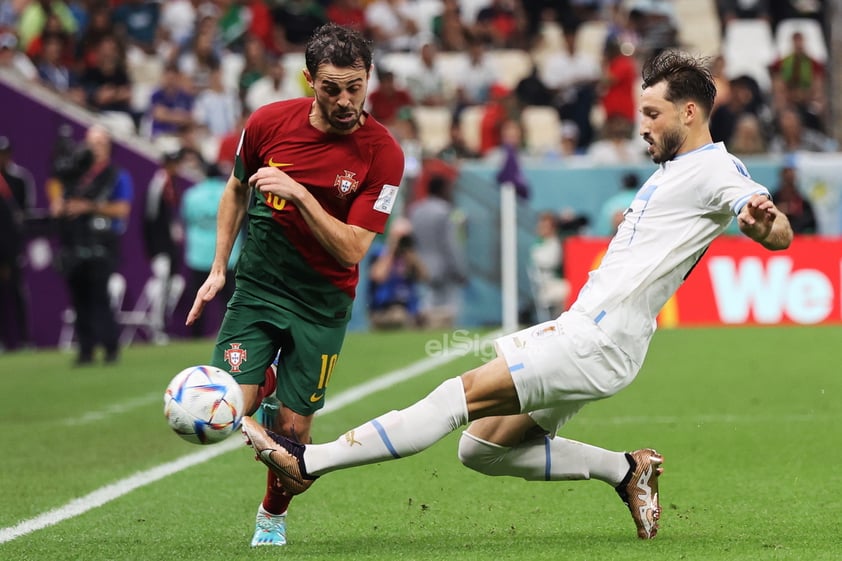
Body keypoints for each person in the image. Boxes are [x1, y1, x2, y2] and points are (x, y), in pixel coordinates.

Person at [240, 50, 794, 541]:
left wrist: (763, 222)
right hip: (595, 337)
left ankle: (310, 460)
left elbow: (775, 228)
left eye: (653, 114)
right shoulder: (676, 169)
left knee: (452, 397)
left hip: (596, 342)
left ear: (689, 113)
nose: (642, 127)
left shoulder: (717, 169)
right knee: (480, 449)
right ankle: (626, 470)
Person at [185, 23, 404, 547]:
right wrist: (219, 268)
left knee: (294, 436)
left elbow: (352, 248)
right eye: (332, 88)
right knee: (224, 410)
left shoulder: (384, 155)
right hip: (258, 291)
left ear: (369, 77)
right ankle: (258, 388)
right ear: (309, 80)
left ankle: (271, 513)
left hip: (322, 306)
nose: (346, 99)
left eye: (356, 86)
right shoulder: (265, 124)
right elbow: (236, 192)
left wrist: (302, 195)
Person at [51, 124, 133, 365]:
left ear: (108, 147)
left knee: (99, 297)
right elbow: (59, 199)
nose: (95, 149)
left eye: (100, 143)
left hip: (102, 244)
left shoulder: (117, 175)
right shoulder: (73, 174)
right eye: (91, 143)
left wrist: (90, 207)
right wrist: (61, 207)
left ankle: (110, 348)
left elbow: (122, 210)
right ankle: (85, 350)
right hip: (74, 242)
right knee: (78, 298)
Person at [181, 164, 242, 339]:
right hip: (228, 255)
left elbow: (187, 219)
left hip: (198, 255)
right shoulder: (229, 192)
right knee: (230, 301)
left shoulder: (192, 195)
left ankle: (195, 334)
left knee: (198, 300)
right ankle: (232, 335)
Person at [408, 174, 467, 328]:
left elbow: (412, 240)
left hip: (420, 265)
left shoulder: (416, 210)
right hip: (443, 266)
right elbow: (450, 243)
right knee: (447, 311)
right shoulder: (445, 211)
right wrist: (459, 269)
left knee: (425, 306)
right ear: (442, 189)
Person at [142, 150, 184, 344]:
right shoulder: (158, 184)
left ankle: (161, 324)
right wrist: (154, 250)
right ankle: (156, 328)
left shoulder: (171, 184)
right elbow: (150, 219)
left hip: (169, 246)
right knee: (161, 284)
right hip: (160, 247)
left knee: (174, 284)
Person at [0, 135, 35, 350]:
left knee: (17, 292)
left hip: (13, 246)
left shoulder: (20, 178)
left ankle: (24, 339)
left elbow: (25, 215)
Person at [367, 217, 426, 330]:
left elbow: (423, 277)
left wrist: (411, 254)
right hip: (385, 308)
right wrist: (391, 249)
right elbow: (378, 276)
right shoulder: (380, 252)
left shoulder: (409, 255)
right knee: (398, 316)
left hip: (408, 307)